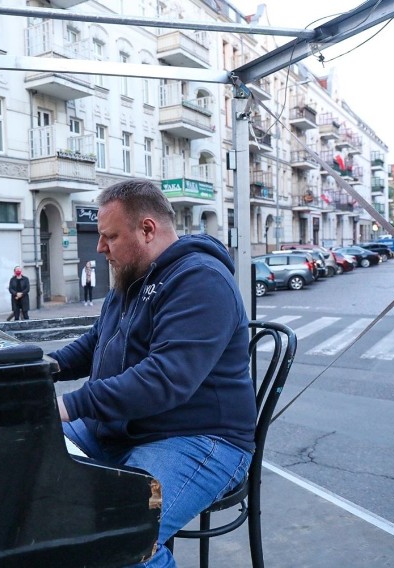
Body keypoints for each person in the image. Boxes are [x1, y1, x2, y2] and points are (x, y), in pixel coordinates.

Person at [47, 179, 256, 568]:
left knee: (125, 534)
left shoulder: (200, 279)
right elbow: (97, 340)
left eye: (109, 236)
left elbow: (165, 378)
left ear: (147, 229)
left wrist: (69, 405)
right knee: (29, 452)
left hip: (199, 438)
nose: (99, 247)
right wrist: (42, 371)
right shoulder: (131, 275)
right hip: (125, 427)